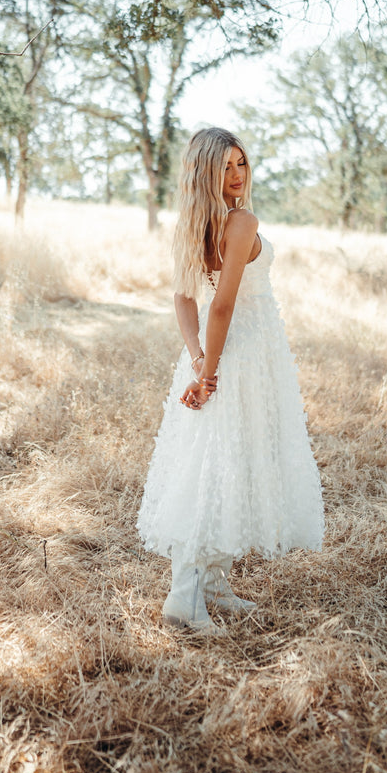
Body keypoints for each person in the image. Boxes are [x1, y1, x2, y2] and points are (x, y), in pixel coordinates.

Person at [137, 127, 324, 634]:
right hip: (235, 359)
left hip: (220, 358)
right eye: (226, 167)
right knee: (212, 469)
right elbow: (217, 305)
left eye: (241, 163)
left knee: (228, 462)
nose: (238, 175)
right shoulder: (241, 222)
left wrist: (197, 359)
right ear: (206, 172)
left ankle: (214, 581)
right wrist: (209, 370)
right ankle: (183, 598)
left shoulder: (194, 223)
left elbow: (182, 299)